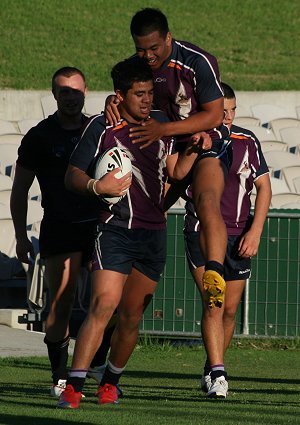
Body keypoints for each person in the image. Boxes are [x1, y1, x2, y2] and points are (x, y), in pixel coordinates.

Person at [58, 57, 202, 409]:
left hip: (153, 234)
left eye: (150, 93)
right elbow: (71, 176)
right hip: (114, 229)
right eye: (139, 94)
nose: (147, 100)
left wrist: (195, 151)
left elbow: (175, 169)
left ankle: (110, 382)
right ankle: (74, 386)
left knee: (133, 315)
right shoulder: (101, 127)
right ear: (119, 96)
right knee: (103, 303)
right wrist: (97, 186)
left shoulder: (162, 125)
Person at [105, 7, 232, 310]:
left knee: (206, 199)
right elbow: (124, 95)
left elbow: (214, 114)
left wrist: (165, 129)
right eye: (140, 49)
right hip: (164, 148)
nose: (147, 56)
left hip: (203, 141)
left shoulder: (196, 61)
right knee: (149, 212)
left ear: (168, 38)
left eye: (153, 48)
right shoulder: (135, 67)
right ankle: (117, 305)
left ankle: (214, 270)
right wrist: (113, 101)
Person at [10, 66, 119, 398]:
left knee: (107, 303)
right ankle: (60, 377)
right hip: (60, 226)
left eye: (75, 90)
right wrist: (19, 235)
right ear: (54, 94)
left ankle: (95, 366)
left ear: (86, 91)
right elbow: (19, 190)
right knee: (60, 302)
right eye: (63, 91)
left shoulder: (98, 129)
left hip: (100, 226)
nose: (70, 96)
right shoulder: (40, 136)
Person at [184, 82, 272, 398]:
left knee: (230, 309)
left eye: (232, 109)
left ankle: (211, 367)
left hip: (239, 234)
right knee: (214, 301)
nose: (228, 116)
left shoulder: (248, 140)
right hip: (203, 233)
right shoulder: (198, 141)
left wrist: (256, 230)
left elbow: (264, 188)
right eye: (222, 110)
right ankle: (220, 374)